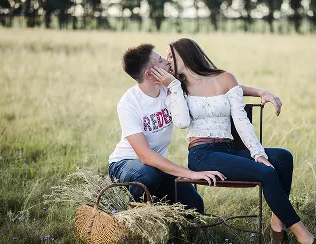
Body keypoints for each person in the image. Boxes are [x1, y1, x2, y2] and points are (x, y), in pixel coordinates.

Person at [149, 38, 316, 244]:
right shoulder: (175, 88)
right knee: (267, 173)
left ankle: (275, 229)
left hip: (228, 148)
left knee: (283, 158)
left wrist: (258, 153)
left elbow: (241, 122)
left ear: (185, 54)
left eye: (170, 55)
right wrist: (173, 86)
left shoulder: (225, 78)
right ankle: (307, 242)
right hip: (202, 155)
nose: (167, 61)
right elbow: (182, 122)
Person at [108, 43, 281, 215]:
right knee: (147, 175)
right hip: (127, 164)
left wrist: (259, 91)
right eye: (161, 60)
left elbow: (213, 85)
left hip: (157, 166)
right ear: (150, 74)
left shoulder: (169, 86)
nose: (168, 62)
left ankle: (161, 205)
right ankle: (136, 216)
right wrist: (190, 174)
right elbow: (145, 156)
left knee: (195, 207)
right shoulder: (129, 103)